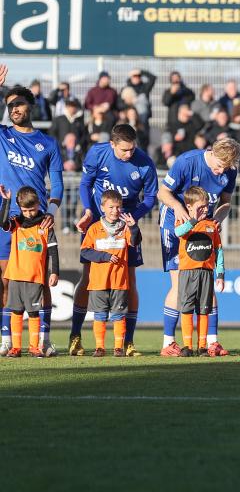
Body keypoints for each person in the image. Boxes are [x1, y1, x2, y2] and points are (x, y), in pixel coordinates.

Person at [70, 124, 158, 357]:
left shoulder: (145, 163)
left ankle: (127, 341)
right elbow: (85, 184)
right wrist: (89, 211)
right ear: (112, 145)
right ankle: (75, 335)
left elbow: (150, 199)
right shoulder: (97, 153)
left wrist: (132, 219)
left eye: (132, 149)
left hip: (125, 225)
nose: (129, 154)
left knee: (129, 279)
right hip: (98, 222)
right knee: (89, 276)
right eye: (124, 151)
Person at [0, 65, 64, 357]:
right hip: (7, 220)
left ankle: (45, 339)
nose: (13, 109)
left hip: (36, 220)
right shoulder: (2, 136)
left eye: (18, 104)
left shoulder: (47, 142)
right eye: (9, 105)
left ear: (30, 106)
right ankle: (6, 338)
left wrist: (51, 209)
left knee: (42, 281)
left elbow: (58, 182)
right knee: (5, 279)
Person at [157, 137, 240, 357]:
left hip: (203, 228)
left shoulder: (229, 171)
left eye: (226, 168)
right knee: (179, 284)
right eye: (219, 166)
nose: (221, 172)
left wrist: (217, 220)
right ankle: (169, 342)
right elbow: (162, 193)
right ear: (212, 152)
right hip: (176, 226)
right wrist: (178, 208)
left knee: (208, 282)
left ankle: (211, 342)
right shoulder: (187, 161)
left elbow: (225, 202)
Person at [79, 190, 141, 357]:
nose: (115, 210)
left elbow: (135, 242)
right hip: (99, 282)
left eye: (118, 207)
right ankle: (100, 347)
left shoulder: (125, 227)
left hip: (119, 281)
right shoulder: (94, 228)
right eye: (111, 207)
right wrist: (104, 256)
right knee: (99, 315)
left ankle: (118, 347)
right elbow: (85, 252)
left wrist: (133, 227)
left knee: (118, 315)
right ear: (102, 208)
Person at [0, 186, 59, 357]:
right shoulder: (16, 223)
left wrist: (54, 271)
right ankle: (15, 347)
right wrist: (6, 201)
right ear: (20, 208)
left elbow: (54, 249)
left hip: (35, 277)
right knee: (16, 311)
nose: (28, 214)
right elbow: (2, 222)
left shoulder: (45, 224)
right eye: (25, 210)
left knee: (33, 312)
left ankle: (34, 346)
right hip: (15, 275)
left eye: (32, 210)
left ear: (39, 204)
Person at [173, 186, 225, 357]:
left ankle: (202, 346)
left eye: (207, 206)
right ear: (189, 207)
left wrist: (220, 274)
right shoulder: (184, 222)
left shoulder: (211, 225)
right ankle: (187, 345)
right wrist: (193, 220)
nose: (205, 209)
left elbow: (218, 250)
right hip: (188, 272)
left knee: (204, 309)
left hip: (206, 273)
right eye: (200, 207)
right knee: (187, 308)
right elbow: (178, 233)